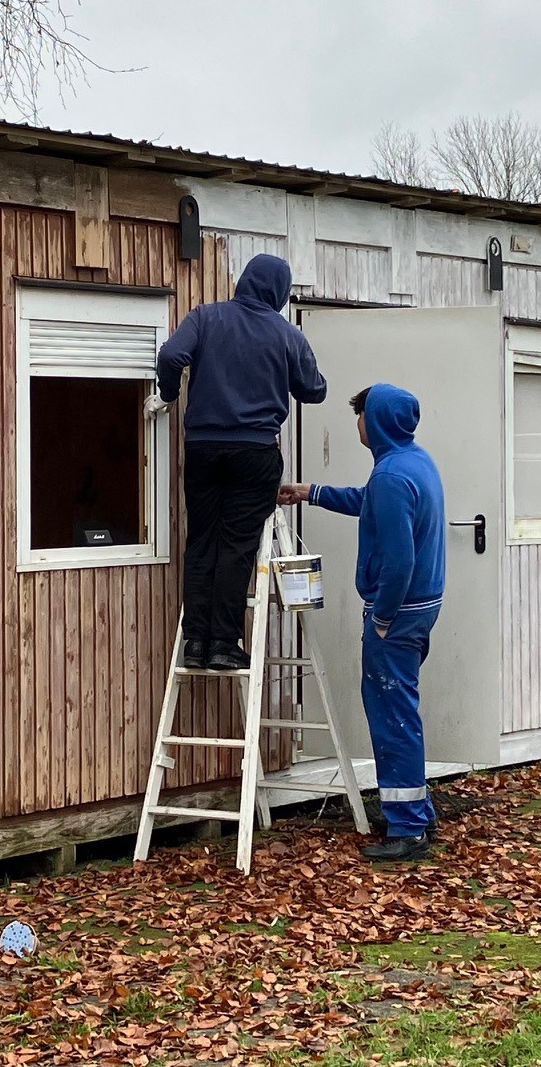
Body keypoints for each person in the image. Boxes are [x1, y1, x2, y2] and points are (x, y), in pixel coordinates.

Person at [279, 384, 446, 862]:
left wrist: (383, 619)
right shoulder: (413, 462)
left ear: (374, 422)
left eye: (360, 416)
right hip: (421, 608)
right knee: (401, 712)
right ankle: (417, 810)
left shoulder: (393, 475)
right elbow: (366, 501)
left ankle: (408, 829)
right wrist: (310, 493)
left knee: (393, 717)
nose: (356, 424)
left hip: (398, 614)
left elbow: (398, 561)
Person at [155, 253, 326, 670]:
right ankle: (222, 645)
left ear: (244, 281)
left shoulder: (205, 317)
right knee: (235, 547)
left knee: (202, 541)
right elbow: (314, 390)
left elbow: (170, 356)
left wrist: (169, 394)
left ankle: (195, 642)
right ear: (280, 292)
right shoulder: (286, 334)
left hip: (202, 448)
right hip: (254, 453)